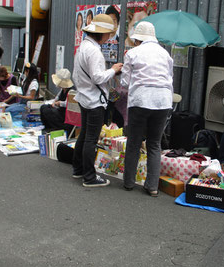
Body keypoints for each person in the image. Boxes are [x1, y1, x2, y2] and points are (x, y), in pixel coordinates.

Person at [120, 22, 173, 196]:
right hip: (163, 101)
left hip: (141, 100)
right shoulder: (165, 54)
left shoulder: (133, 53)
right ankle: (152, 187)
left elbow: (124, 82)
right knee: (154, 144)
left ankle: (128, 182)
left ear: (138, 39)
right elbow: (169, 78)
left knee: (134, 142)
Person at [72, 14, 123, 188]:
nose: (109, 37)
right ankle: (89, 177)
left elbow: (77, 75)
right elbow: (97, 77)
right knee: (90, 139)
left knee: (85, 135)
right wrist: (114, 70)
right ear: (101, 33)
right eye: (108, 33)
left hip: (84, 97)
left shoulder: (83, 46)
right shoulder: (94, 51)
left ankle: (78, 169)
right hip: (94, 100)